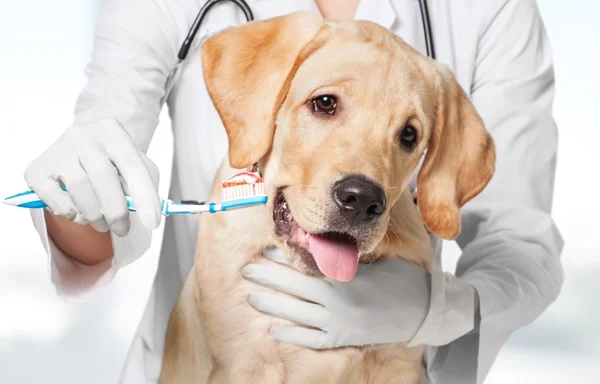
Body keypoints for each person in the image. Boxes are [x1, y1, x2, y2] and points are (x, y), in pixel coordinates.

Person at [23, 0, 564, 383]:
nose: (363, 188)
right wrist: (81, 190)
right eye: (326, 104)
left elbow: (522, 246)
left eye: (407, 135)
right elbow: (102, 219)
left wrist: (438, 309)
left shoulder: (495, 10)